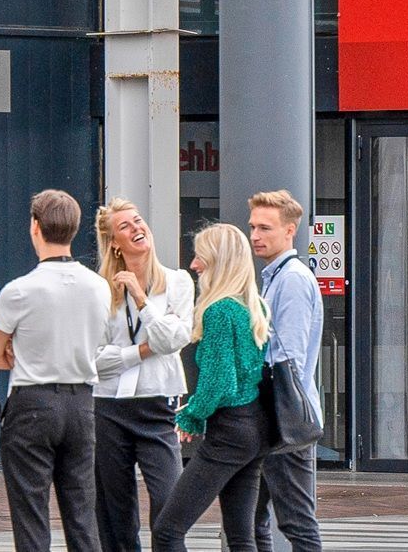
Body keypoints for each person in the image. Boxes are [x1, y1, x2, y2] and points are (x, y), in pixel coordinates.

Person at [0, 189, 107, 552]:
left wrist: (19, 352)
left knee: (31, 515)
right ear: (74, 229)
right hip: (83, 402)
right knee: (82, 513)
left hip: (33, 401)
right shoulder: (98, 287)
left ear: (34, 227)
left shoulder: (20, 290)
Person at [148, 225, 270, 552]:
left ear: (217, 261)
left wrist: (192, 415)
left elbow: (219, 381)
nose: (194, 265)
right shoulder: (253, 306)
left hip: (229, 432)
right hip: (255, 428)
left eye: (201, 256)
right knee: (242, 536)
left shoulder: (218, 311)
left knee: (168, 530)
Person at [92, 200, 194, 552]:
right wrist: (141, 351)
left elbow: (174, 340)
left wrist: (140, 298)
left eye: (139, 221)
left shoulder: (178, 282)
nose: (137, 228)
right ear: (114, 243)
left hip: (158, 405)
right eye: (125, 226)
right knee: (114, 512)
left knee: (168, 504)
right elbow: (93, 360)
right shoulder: (100, 290)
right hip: (108, 407)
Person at [247, 191, 323, 552]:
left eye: (265, 228)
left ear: (290, 231)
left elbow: (287, 357)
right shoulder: (274, 276)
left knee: (296, 522)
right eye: (253, 227)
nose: (255, 235)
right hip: (276, 417)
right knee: (252, 516)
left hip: (285, 419)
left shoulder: (291, 279)